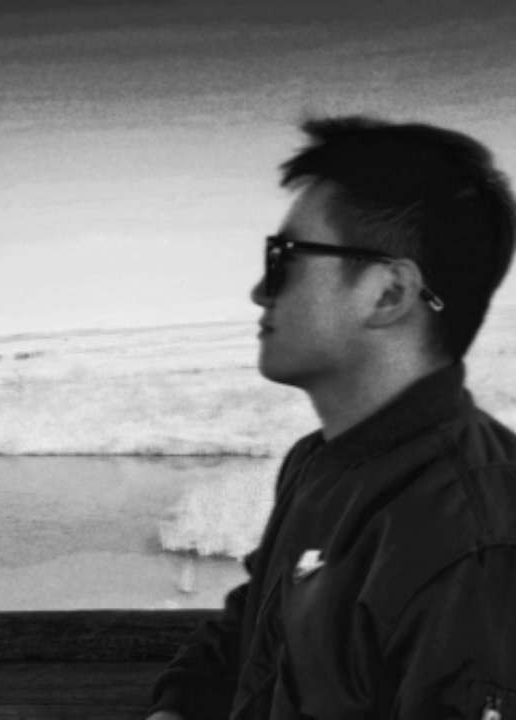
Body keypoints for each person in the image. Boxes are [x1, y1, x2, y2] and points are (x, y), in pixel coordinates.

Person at [145, 116, 516, 720]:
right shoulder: (318, 462)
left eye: (284, 259)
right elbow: (250, 631)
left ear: (389, 293)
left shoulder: (475, 534)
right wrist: (179, 707)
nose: (259, 291)